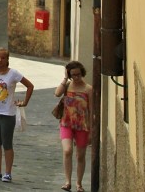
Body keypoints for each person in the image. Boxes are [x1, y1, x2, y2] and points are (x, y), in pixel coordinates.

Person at [0, 47, 34, 183]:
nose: (0, 60)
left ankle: (8, 173)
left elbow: (30, 86)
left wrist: (25, 102)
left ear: (7, 59)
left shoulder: (13, 74)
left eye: (3, 57)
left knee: (7, 143)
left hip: (7, 113)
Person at [55, 61, 92, 192]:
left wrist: (92, 130)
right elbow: (57, 93)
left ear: (82, 73)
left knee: (80, 156)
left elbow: (91, 111)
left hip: (82, 126)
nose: (76, 77)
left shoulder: (88, 89)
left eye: (78, 74)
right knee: (67, 150)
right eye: (73, 75)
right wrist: (65, 78)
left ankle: (79, 184)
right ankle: (67, 181)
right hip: (67, 123)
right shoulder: (68, 86)